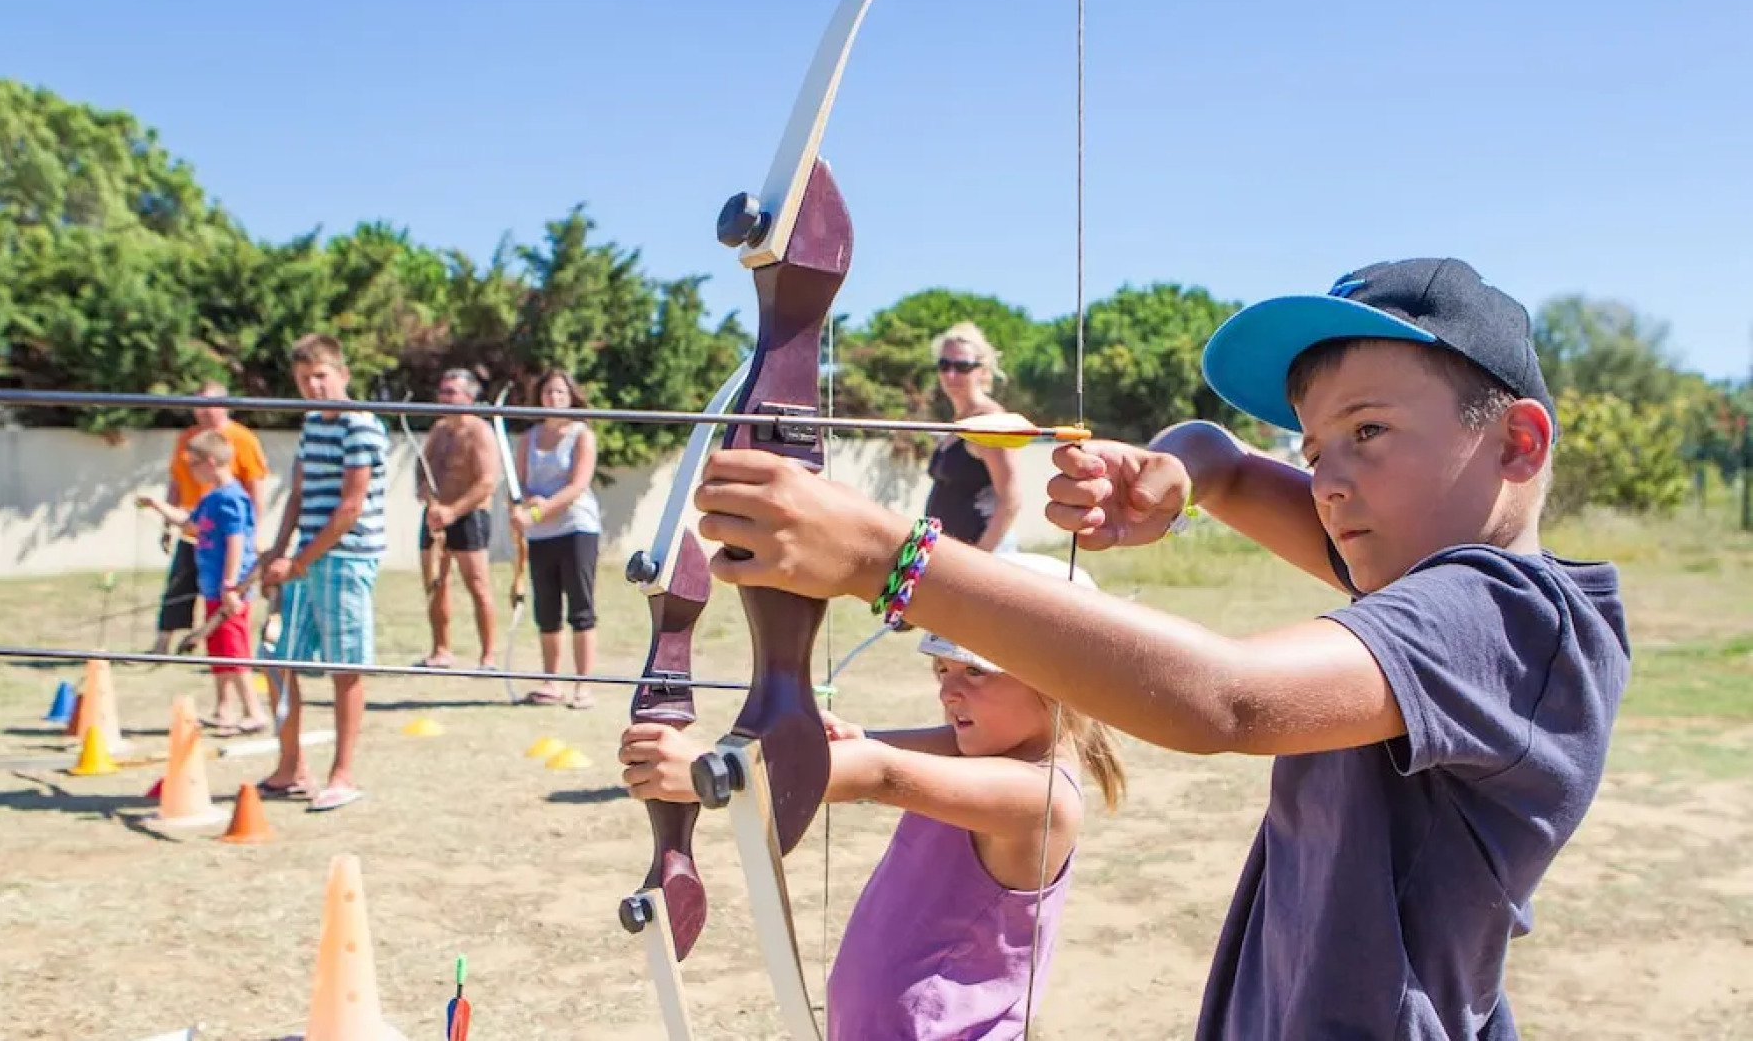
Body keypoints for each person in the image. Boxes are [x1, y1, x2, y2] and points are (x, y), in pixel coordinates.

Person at [690, 258, 1630, 1038]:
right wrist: (1184, 470)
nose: (1329, 484)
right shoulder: (1419, 573)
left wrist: (880, 556)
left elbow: (1229, 700)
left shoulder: (1505, 617)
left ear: (1516, 443)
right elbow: (1231, 467)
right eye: (1313, 450)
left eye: (1369, 431)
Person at [619, 552, 1124, 1039]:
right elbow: (872, 751)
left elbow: (879, 772)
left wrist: (708, 771)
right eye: (942, 670)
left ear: (1059, 681)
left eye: (975, 672)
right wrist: (839, 742)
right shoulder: (979, 747)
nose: (948, 692)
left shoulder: (1042, 799)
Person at [258, 333, 389, 813]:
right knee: (277, 659)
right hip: (305, 560)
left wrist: (297, 561)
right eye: (303, 379)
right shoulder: (313, 424)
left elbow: (350, 507)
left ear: (342, 374)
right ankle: (291, 767)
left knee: (345, 668)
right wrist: (277, 553)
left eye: (320, 376)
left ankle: (342, 775)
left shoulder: (361, 425)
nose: (313, 386)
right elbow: (298, 494)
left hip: (346, 559)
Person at [136, 429, 271, 736]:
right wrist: (157, 506)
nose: (190, 471)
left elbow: (237, 541)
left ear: (210, 461)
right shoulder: (211, 498)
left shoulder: (233, 499)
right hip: (212, 587)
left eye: (193, 464)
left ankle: (254, 712)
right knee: (218, 650)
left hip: (229, 591)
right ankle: (224, 709)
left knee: (234, 651)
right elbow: (191, 525)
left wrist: (230, 584)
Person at [147, 379, 270, 654]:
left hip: (224, 530)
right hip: (195, 523)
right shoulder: (188, 439)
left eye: (208, 405)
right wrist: (166, 522)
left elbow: (256, 488)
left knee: (225, 590)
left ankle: (225, 649)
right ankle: (165, 642)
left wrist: (254, 533)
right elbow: (176, 482)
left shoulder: (243, 440)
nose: (202, 411)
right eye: (198, 405)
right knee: (180, 584)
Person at [508, 368, 602, 708]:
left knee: (581, 608)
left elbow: (577, 486)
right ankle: (551, 682)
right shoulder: (529, 438)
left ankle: (583, 686)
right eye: (548, 392)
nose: (554, 398)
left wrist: (538, 512)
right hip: (540, 535)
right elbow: (519, 485)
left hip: (576, 528)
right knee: (546, 609)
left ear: (571, 396)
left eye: (560, 392)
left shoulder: (582, 435)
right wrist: (522, 507)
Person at [414, 368, 501, 669]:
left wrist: (453, 511)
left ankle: (488, 656)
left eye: (451, 392)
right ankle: (441, 650)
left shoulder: (480, 432)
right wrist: (429, 499)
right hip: (435, 516)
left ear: (468, 397)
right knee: (435, 583)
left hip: (469, 516)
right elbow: (422, 470)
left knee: (478, 585)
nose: (445, 397)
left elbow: (487, 482)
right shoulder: (438, 430)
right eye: (443, 391)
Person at [924, 323, 1022, 552]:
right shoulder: (958, 421)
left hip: (985, 551)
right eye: (944, 365)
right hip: (952, 552)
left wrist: (981, 555)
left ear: (982, 370)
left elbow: (1010, 499)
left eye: (962, 366)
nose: (951, 374)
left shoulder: (989, 420)